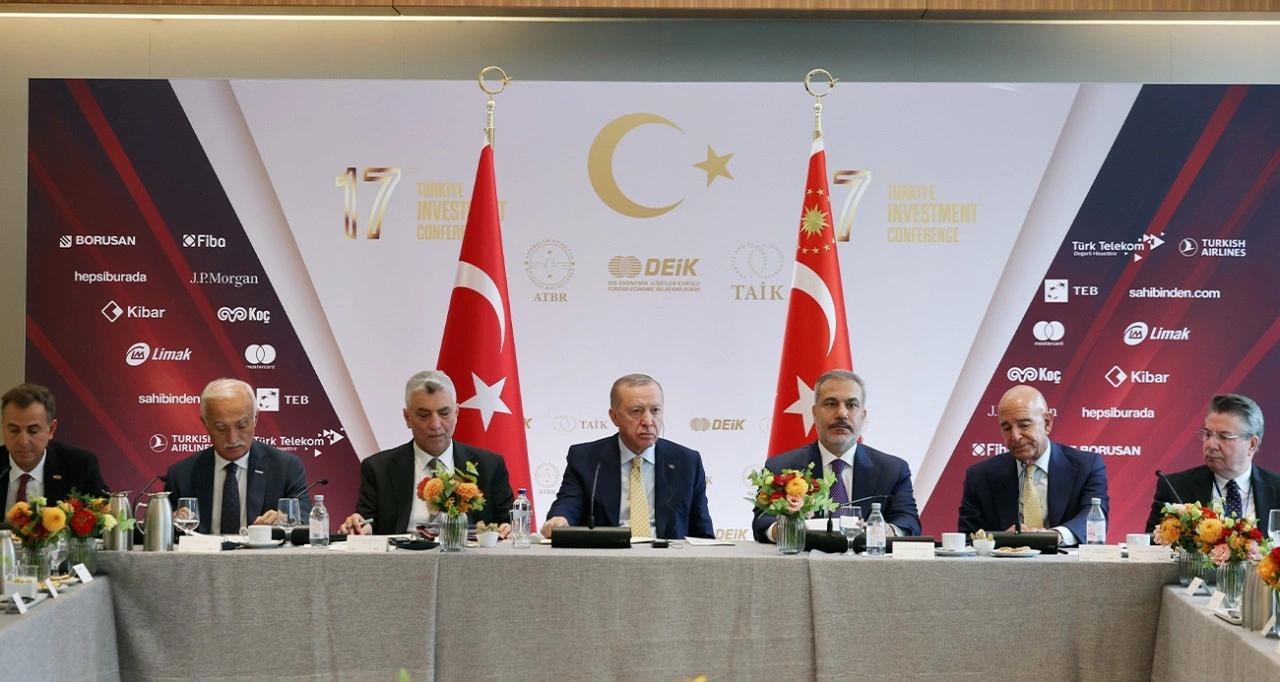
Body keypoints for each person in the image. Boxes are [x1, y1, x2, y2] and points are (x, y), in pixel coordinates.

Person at [752, 370, 921, 543]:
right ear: (814, 412)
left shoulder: (892, 470)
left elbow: (908, 521)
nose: (841, 413)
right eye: (831, 404)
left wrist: (890, 530)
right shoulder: (781, 467)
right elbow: (762, 521)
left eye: (851, 405)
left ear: (863, 416)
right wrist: (783, 529)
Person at [340, 370, 515, 537]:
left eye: (444, 413)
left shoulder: (489, 466)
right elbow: (367, 523)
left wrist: (510, 529)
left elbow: (508, 523)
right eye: (424, 415)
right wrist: (359, 527)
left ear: (456, 413)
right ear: (407, 417)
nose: (435, 425)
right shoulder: (379, 468)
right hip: (401, 555)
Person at [540, 373, 714, 539]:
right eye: (637, 411)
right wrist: (560, 520)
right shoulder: (585, 458)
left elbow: (703, 533)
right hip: (607, 555)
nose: (648, 421)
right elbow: (569, 504)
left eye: (655, 410)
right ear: (614, 417)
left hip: (668, 557)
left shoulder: (687, 462)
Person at [957, 384, 1108, 545]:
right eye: (1007, 428)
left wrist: (1055, 535)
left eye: (1024, 425)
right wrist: (1000, 539)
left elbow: (1094, 518)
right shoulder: (980, 476)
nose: (1015, 436)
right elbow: (968, 537)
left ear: (1047, 423)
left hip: (1066, 559)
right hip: (1005, 561)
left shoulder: (1086, 466)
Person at [164, 378, 312, 534]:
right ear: (205, 424)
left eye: (242, 426)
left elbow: (306, 524)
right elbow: (165, 533)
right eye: (220, 428)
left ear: (255, 418)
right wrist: (170, 524)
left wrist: (287, 521)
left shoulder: (285, 468)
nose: (232, 439)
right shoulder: (181, 474)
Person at [1146, 393, 1280, 533]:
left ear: (1252, 444)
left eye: (1223, 436)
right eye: (1208, 434)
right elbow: (1152, 544)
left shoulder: (1277, 489)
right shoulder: (1174, 488)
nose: (1211, 445)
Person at [1, 383, 109, 513]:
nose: (23, 441)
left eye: (33, 431)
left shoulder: (79, 466)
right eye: (14, 430)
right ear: (3, 425)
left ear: (51, 429)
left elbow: (105, 518)